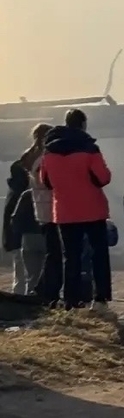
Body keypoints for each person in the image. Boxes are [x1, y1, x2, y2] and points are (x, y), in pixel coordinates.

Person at [39, 110, 112, 311]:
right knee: (99, 254)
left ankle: (71, 300)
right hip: (93, 210)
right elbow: (103, 178)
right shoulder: (90, 149)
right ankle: (100, 298)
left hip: (64, 211)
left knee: (70, 257)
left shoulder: (49, 152)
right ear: (83, 124)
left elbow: (45, 182)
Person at [3, 124, 49, 294]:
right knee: (41, 277)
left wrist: (9, 233)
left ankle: (19, 314)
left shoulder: (21, 165)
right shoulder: (48, 165)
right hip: (43, 227)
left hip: (21, 232)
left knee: (22, 279)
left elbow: (11, 205)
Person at [25, 124, 63, 306]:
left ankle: (46, 289)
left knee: (53, 252)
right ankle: (47, 290)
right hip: (51, 211)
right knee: (55, 253)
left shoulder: (32, 158)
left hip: (41, 210)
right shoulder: (44, 160)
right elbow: (50, 183)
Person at [7, 188, 45, 295]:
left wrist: (20, 232)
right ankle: (46, 299)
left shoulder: (27, 194)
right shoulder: (52, 193)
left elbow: (15, 219)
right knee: (48, 272)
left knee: (31, 275)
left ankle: (30, 298)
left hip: (28, 238)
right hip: (47, 236)